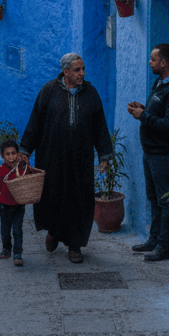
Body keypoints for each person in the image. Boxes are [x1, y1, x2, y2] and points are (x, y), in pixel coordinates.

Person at [20, 53, 114, 264]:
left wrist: (104, 155)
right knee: (53, 195)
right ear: (65, 71)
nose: (81, 74)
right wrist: (25, 150)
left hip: (81, 158)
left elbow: (100, 126)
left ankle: (75, 245)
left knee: (79, 199)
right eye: (76, 70)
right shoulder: (48, 91)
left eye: (82, 69)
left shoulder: (91, 94)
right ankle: (53, 231)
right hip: (51, 156)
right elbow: (35, 121)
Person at [127, 43, 169, 262]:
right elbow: (157, 112)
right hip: (151, 153)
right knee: (154, 198)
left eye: (153, 60)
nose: (150, 63)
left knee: (166, 201)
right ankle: (154, 239)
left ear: (164, 62)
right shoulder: (160, 83)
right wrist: (143, 110)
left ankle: (164, 247)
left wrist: (142, 117)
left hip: (165, 155)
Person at [0, 140, 26, 266]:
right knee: (5, 230)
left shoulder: (21, 168)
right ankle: (6, 248)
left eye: (13, 153)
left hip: (19, 205)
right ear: (2, 155)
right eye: (7, 154)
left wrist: (24, 162)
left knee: (17, 230)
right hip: (4, 205)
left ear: (18, 154)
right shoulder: (1, 170)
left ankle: (17, 253)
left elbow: (28, 177)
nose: (11, 157)